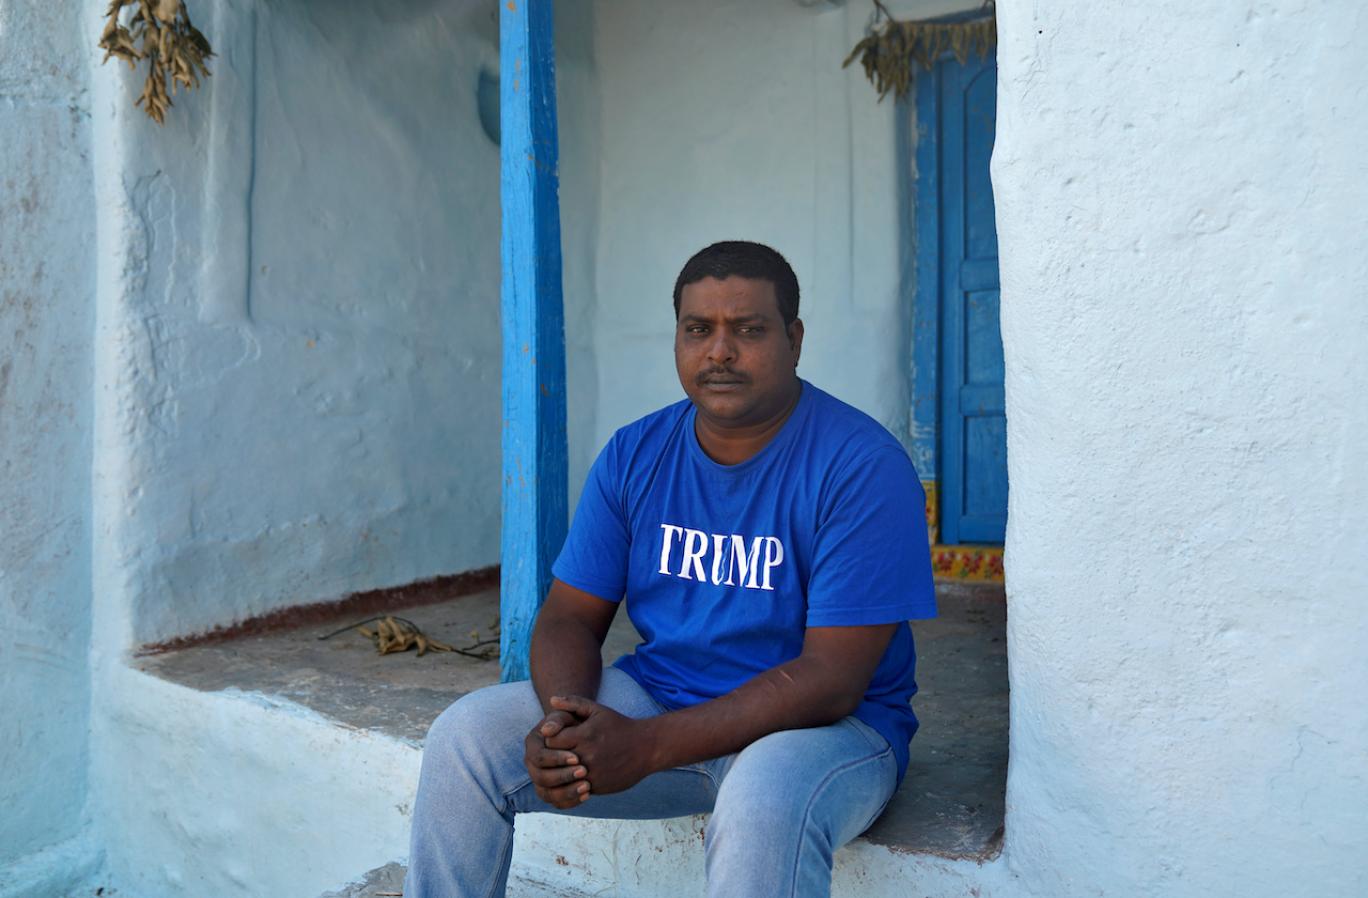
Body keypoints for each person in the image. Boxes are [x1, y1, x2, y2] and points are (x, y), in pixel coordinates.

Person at [405, 240, 937, 898]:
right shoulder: (635, 453)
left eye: (749, 330)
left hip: (824, 734)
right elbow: (569, 616)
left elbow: (832, 680)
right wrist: (565, 723)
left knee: (761, 802)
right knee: (465, 739)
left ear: (794, 340)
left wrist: (648, 746)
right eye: (698, 329)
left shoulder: (862, 466)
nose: (720, 352)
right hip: (662, 699)